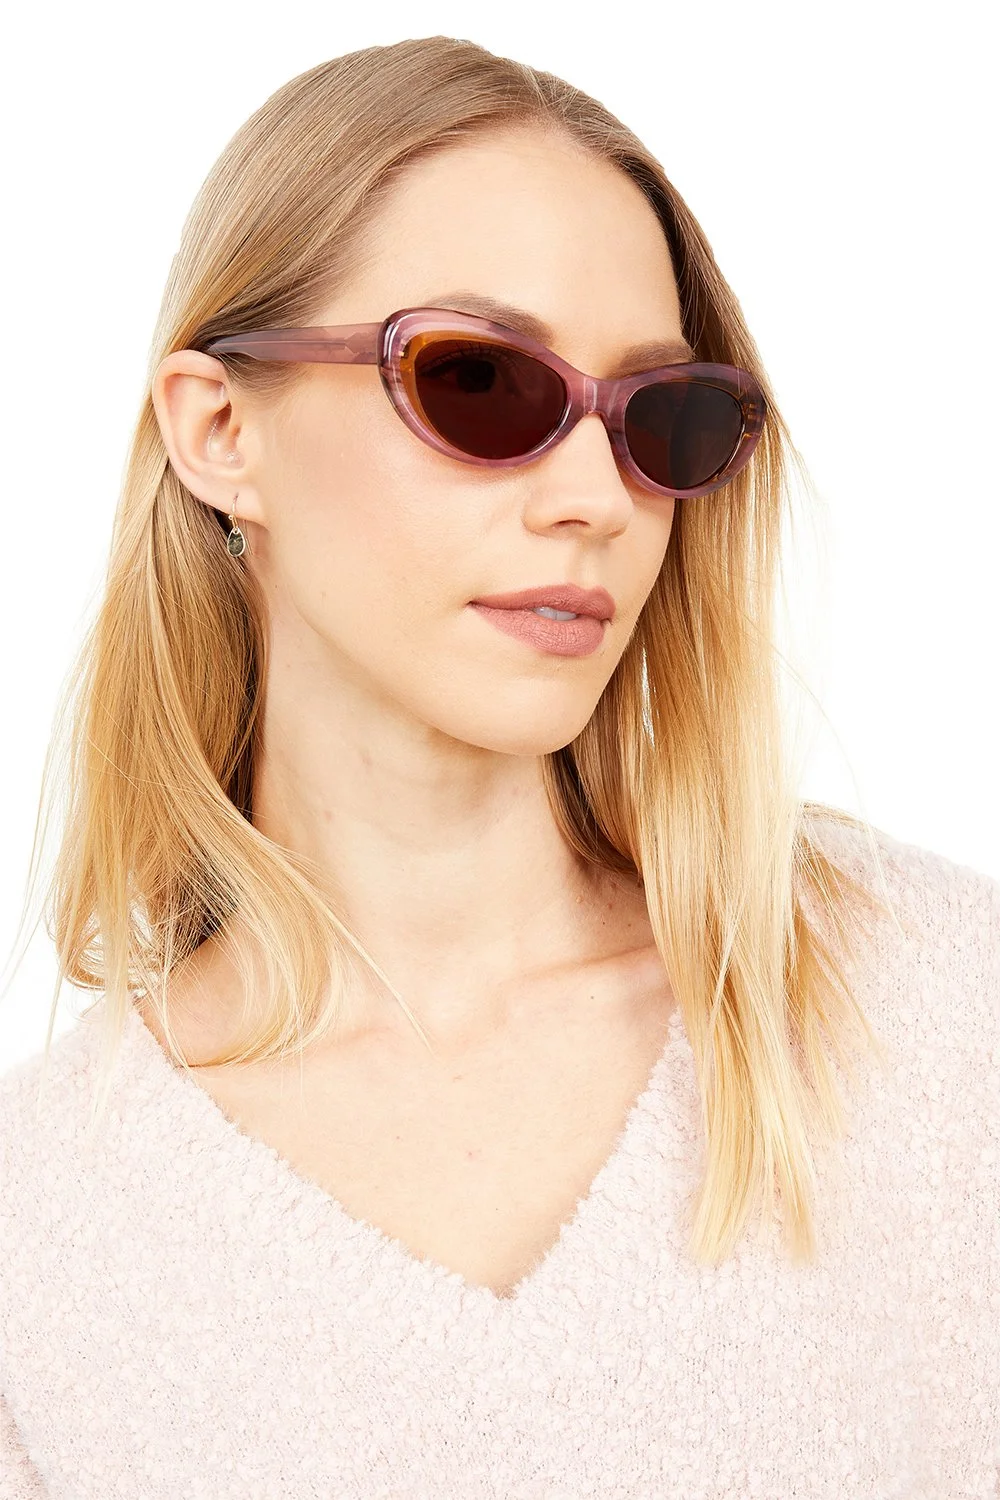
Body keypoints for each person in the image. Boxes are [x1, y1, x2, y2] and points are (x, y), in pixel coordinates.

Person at [1, 35, 997, 1500]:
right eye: (478, 382)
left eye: (662, 418)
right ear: (221, 431)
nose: (596, 499)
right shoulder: (41, 1242)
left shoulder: (932, 1008)